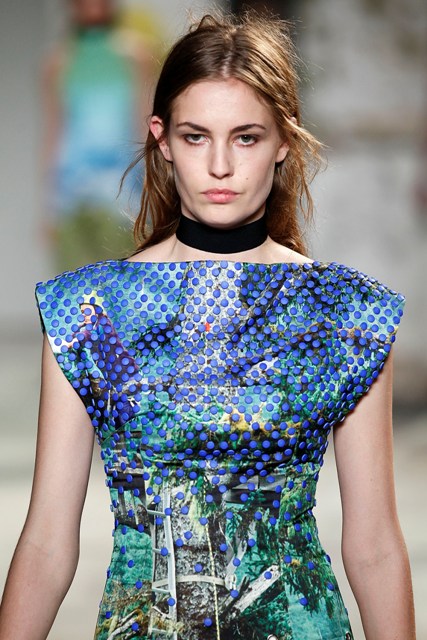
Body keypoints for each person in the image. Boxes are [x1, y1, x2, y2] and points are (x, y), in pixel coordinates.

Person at [0, 10, 416, 640]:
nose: (220, 165)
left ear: (284, 141)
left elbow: (375, 543)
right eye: (196, 137)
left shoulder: (345, 314)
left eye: (246, 137)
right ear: (162, 140)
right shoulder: (89, 311)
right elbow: (48, 542)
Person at [41, 0, 155, 272]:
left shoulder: (135, 55)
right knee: (71, 284)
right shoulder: (59, 61)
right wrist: (49, 206)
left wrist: (153, 191)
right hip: (71, 190)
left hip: (123, 186)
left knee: (122, 281)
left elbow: (144, 123)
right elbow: (54, 131)